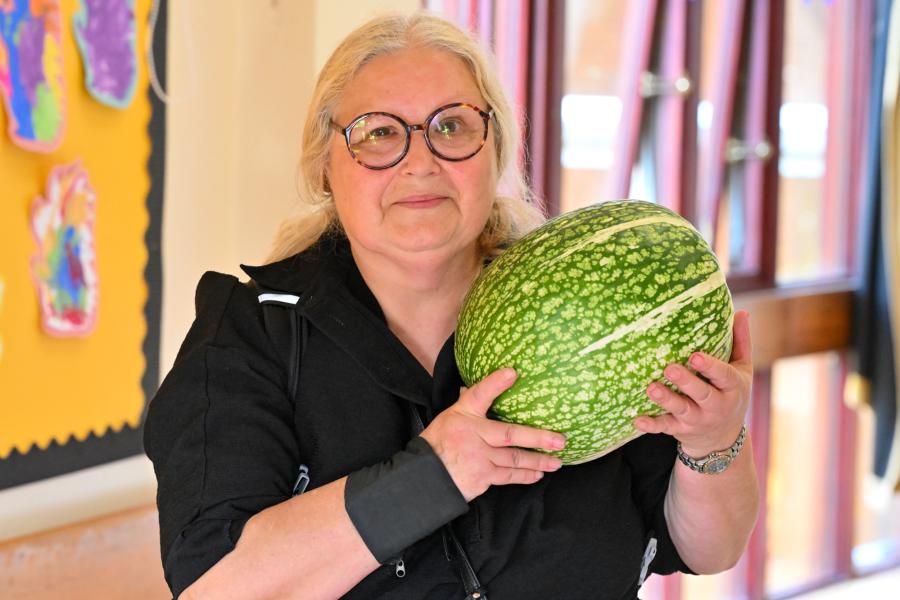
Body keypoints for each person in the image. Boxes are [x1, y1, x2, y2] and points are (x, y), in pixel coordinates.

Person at [144, 12, 760, 600]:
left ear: (495, 152)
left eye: (451, 126)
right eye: (380, 132)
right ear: (324, 166)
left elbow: (708, 549)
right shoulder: (251, 336)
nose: (419, 162)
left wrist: (716, 442)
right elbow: (214, 586)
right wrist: (430, 477)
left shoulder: (596, 310)